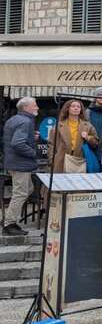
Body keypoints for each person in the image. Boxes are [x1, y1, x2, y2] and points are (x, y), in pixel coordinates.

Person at [2, 97, 39, 236]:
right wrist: (33, 153)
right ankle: (9, 224)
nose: (37, 108)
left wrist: (31, 138)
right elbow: (17, 143)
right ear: (26, 107)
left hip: (14, 162)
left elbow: (15, 139)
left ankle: (9, 218)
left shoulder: (14, 119)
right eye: (35, 105)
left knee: (28, 189)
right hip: (20, 164)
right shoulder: (25, 121)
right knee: (21, 193)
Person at [49, 100, 99, 174]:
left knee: (79, 181)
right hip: (62, 160)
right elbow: (51, 144)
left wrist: (88, 137)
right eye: (73, 106)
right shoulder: (58, 126)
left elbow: (96, 143)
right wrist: (52, 160)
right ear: (67, 109)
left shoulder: (88, 126)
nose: (76, 108)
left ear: (81, 110)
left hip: (81, 161)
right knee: (63, 180)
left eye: (78, 107)